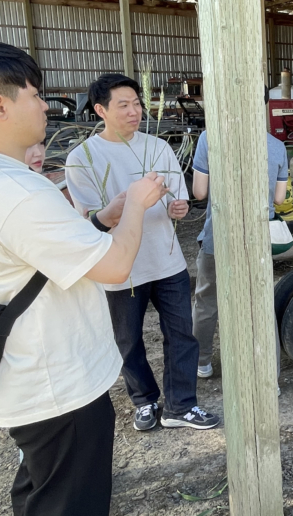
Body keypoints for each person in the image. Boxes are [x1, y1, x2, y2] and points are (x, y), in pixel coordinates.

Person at [0, 40, 167, 515]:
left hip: (33, 382)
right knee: (70, 501)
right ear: (0, 105)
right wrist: (137, 204)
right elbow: (115, 266)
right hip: (56, 389)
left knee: (41, 490)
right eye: (35, 95)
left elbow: (42, 252)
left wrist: (103, 218)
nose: (43, 105)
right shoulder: (16, 190)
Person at [66, 73, 219, 432]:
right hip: (121, 267)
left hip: (166, 261)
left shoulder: (158, 147)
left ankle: (180, 405)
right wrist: (120, 207)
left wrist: (175, 209)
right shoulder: (83, 158)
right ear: (100, 110)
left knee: (181, 334)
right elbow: (90, 221)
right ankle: (144, 400)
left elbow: (175, 199)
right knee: (127, 340)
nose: (135, 111)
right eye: (124, 105)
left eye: (137, 103)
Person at [191, 88, 287, 382]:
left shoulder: (210, 138)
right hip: (259, 239)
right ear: (264, 105)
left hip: (218, 236)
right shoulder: (276, 146)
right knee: (259, 304)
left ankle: (203, 362)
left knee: (207, 300)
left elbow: (199, 192)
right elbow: (280, 199)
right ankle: (268, 373)